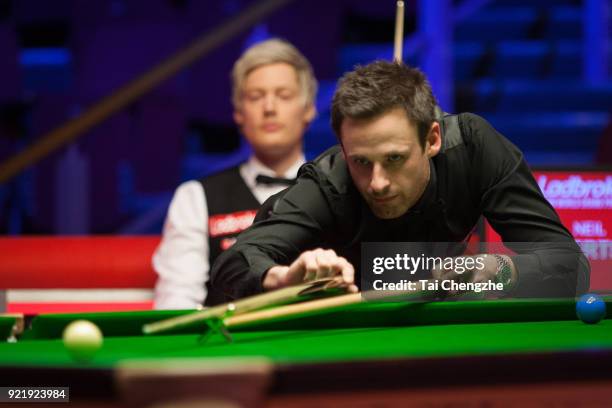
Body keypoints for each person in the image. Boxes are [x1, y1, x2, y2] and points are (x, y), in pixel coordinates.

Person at [210, 60, 589, 302]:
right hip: (343, 340)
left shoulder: (474, 149)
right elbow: (233, 264)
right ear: (343, 150)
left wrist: (503, 272)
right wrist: (282, 276)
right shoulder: (329, 183)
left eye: (395, 159)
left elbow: (571, 266)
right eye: (361, 161)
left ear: (433, 139)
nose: (377, 183)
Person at [153, 39, 317, 309]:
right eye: (255, 97)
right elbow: (176, 303)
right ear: (239, 113)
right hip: (228, 348)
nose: (269, 108)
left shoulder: (340, 188)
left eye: (284, 95)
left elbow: (388, 281)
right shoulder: (196, 197)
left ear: (309, 109)